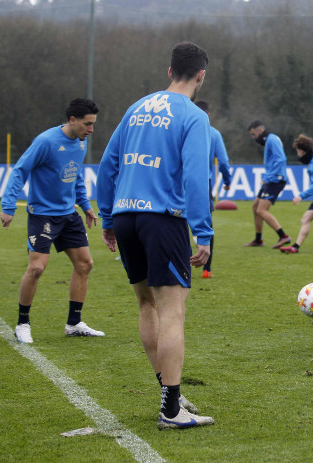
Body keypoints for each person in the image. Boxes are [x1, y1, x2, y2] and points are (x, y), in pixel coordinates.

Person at [96, 42, 215, 429]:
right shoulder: (195, 117)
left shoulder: (136, 108)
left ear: (169, 72)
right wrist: (203, 232)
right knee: (172, 311)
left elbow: (108, 165)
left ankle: (171, 395)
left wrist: (109, 219)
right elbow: (197, 177)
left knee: (147, 307)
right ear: (200, 75)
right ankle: (171, 409)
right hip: (162, 220)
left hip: (127, 217)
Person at [0, 98, 104, 344]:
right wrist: (8, 205)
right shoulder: (45, 142)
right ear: (72, 120)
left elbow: (77, 175)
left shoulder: (81, 142)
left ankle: (74, 323)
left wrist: (86, 206)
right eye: (87, 124)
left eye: (93, 125)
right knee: (36, 268)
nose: (91, 130)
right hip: (43, 214)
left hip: (69, 215)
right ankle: (23, 323)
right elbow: (20, 170)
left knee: (85, 264)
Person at [280, 134, 313, 253]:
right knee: (305, 218)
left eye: (298, 152)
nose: (298, 155)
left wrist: (300, 196)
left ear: (303, 151)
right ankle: (295, 247)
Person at [195, 100, 232, 278]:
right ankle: (207, 269)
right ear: (208, 115)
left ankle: (179, 264)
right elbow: (223, 162)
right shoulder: (214, 134)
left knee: (177, 223)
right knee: (206, 224)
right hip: (203, 183)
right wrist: (227, 180)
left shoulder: (183, 129)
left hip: (180, 183)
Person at [243, 120, 291, 249]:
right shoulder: (270, 139)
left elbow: (281, 159)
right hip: (271, 179)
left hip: (275, 180)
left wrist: (268, 176)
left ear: (260, 130)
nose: (253, 138)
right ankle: (258, 240)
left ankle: (283, 236)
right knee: (255, 207)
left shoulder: (272, 139)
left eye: (253, 134)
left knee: (261, 210)